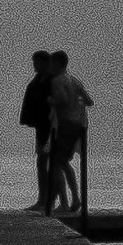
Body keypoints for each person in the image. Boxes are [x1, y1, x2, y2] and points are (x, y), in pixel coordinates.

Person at [41, 48, 91, 216]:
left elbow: (62, 99)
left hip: (64, 125)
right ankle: (76, 198)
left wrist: (50, 100)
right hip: (77, 126)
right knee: (64, 162)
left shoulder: (57, 81)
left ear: (57, 64)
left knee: (54, 164)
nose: (49, 67)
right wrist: (78, 103)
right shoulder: (75, 80)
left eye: (51, 64)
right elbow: (89, 101)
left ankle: (63, 203)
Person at [18, 49, 54, 210]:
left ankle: (49, 200)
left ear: (45, 63)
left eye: (36, 62)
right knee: (42, 162)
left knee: (51, 163)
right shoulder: (39, 79)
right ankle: (43, 199)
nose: (34, 65)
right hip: (41, 126)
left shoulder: (52, 81)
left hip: (51, 127)